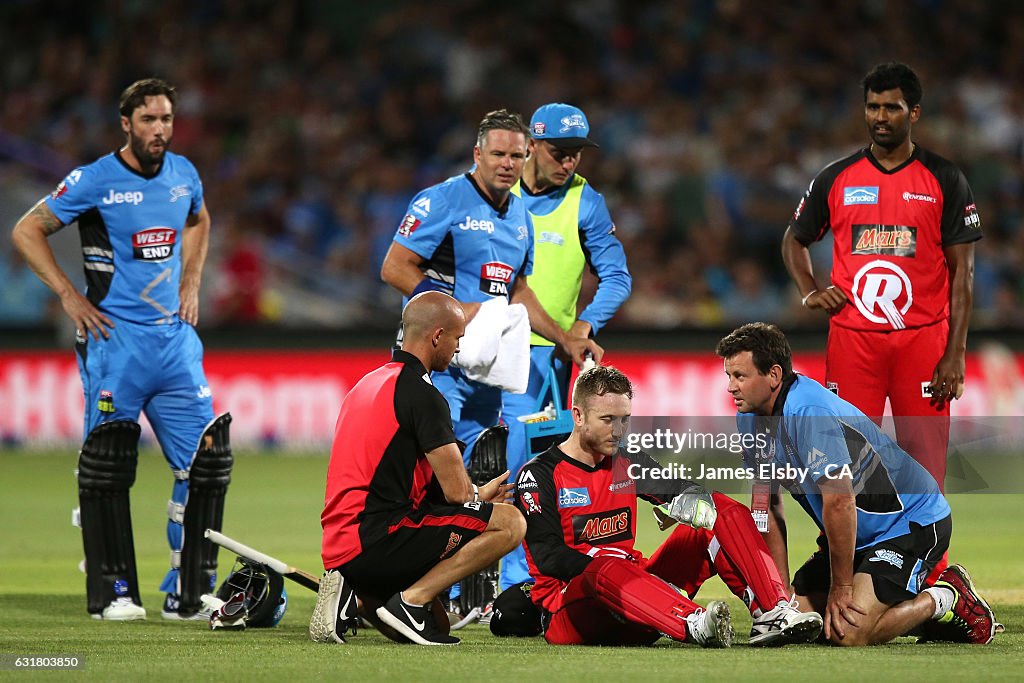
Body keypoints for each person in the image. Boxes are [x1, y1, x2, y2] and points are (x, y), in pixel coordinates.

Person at [11, 78, 232, 621]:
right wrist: (69, 296)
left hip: (175, 342)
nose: (160, 130)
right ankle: (113, 591)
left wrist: (193, 281)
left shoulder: (184, 174)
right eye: (150, 120)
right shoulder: (95, 179)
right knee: (107, 468)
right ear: (126, 124)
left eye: (167, 120)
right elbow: (26, 230)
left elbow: (200, 220)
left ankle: (188, 593)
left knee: (206, 464)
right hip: (116, 342)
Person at [380, 109, 601, 613]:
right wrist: (452, 310)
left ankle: (445, 592)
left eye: (516, 155)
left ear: (526, 158)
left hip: (485, 372)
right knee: (420, 474)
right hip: (435, 365)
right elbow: (395, 266)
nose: (507, 163)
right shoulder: (443, 199)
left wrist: (566, 339)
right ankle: (391, 579)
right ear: (477, 154)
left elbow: (518, 291)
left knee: (465, 476)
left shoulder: (519, 215)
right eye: (498, 153)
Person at [716, 322, 996, 646]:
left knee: (846, 633)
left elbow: (840, 502)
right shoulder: (749, 418)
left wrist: (841, 588)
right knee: (800, 621)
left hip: (909, 525)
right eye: (728, 376)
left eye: (740, 376)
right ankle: (892, 606)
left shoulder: (808, 411)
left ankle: (945, 597)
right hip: (860, 538)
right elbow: (767, 505)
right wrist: (777, 601)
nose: (731, 387)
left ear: (774, 375)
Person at [514, 365, 824, 647]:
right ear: (578, 416)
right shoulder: (539, 474)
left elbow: (679, 487)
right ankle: (692, 621)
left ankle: (772, 611)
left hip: (638, 602)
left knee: (720, 509)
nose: (619, 430)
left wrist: (682, 503)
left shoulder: (625, 461)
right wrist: (629, 578)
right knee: (609, 567)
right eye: (608, 420)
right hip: (573, 612)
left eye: (625, 419)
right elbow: (549, 557)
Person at [781, 61, 981, 496]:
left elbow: (963, 271)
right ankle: (849, 560)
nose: (879, 117)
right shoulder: (836, 177)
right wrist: (810, 291)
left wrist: (955, 353)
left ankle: (929, 563)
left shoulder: (944, 179)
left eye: (891, 108)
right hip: (854, 341)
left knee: (924, 464)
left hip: (923, 340)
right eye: (872, 107)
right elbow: (793, 240)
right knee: (847, 464)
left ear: (914, 113)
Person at [312, 291, 526, 646]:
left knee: (438, 625)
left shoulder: (367, 383)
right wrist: (480, 498)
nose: (458, 348)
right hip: (378, 539)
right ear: (437, 336)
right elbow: (458, 493)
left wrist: (475, 498)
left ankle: (359, 598)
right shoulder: (422, 395)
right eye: (457, 337)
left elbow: (403, 477)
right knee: (509, 522)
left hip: (341, 543)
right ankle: (408, 603)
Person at [499, 103, 632, 591]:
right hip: (478, 351)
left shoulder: (586, 202)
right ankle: (451, 581)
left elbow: (617, 276)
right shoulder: (495, 190)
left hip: (543, 359)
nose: (569, 162)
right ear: (531, 144)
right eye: (559, 152)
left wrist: (584, 324)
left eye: (577, 154)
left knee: (525, 468)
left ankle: (519, 581)